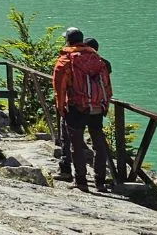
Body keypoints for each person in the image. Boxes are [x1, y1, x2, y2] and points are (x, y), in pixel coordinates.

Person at [53, 27, 113, 193]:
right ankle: (100, 182)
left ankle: (81, 181)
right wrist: (105, 104)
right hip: (97, 106)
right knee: (98, 143)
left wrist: (60, 107)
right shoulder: (97, 59)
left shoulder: (66, 60)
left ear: (68, 41)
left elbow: (60, 87)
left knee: (76, 145)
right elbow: (107, 85)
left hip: (76, 107)